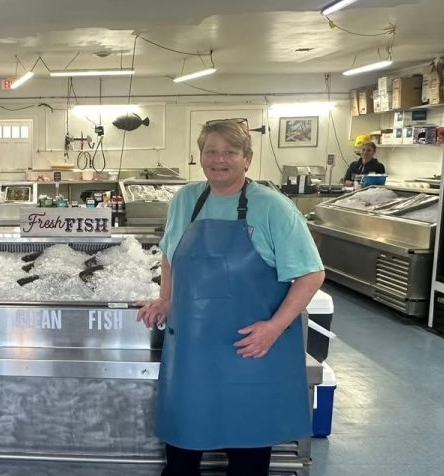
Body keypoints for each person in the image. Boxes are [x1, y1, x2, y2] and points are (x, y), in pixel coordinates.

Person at [137, 119, 325, 476]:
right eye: (211, 151)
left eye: (230, 152)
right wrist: (167, 299)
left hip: (249, 349)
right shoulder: (187, 199)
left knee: (248, 453)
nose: (219, 159)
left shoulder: (273, 207)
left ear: (247, 159)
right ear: (201, 157)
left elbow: (311, 274)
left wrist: (273, 328)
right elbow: (169, 254)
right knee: (182, 452)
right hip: (193, 350)